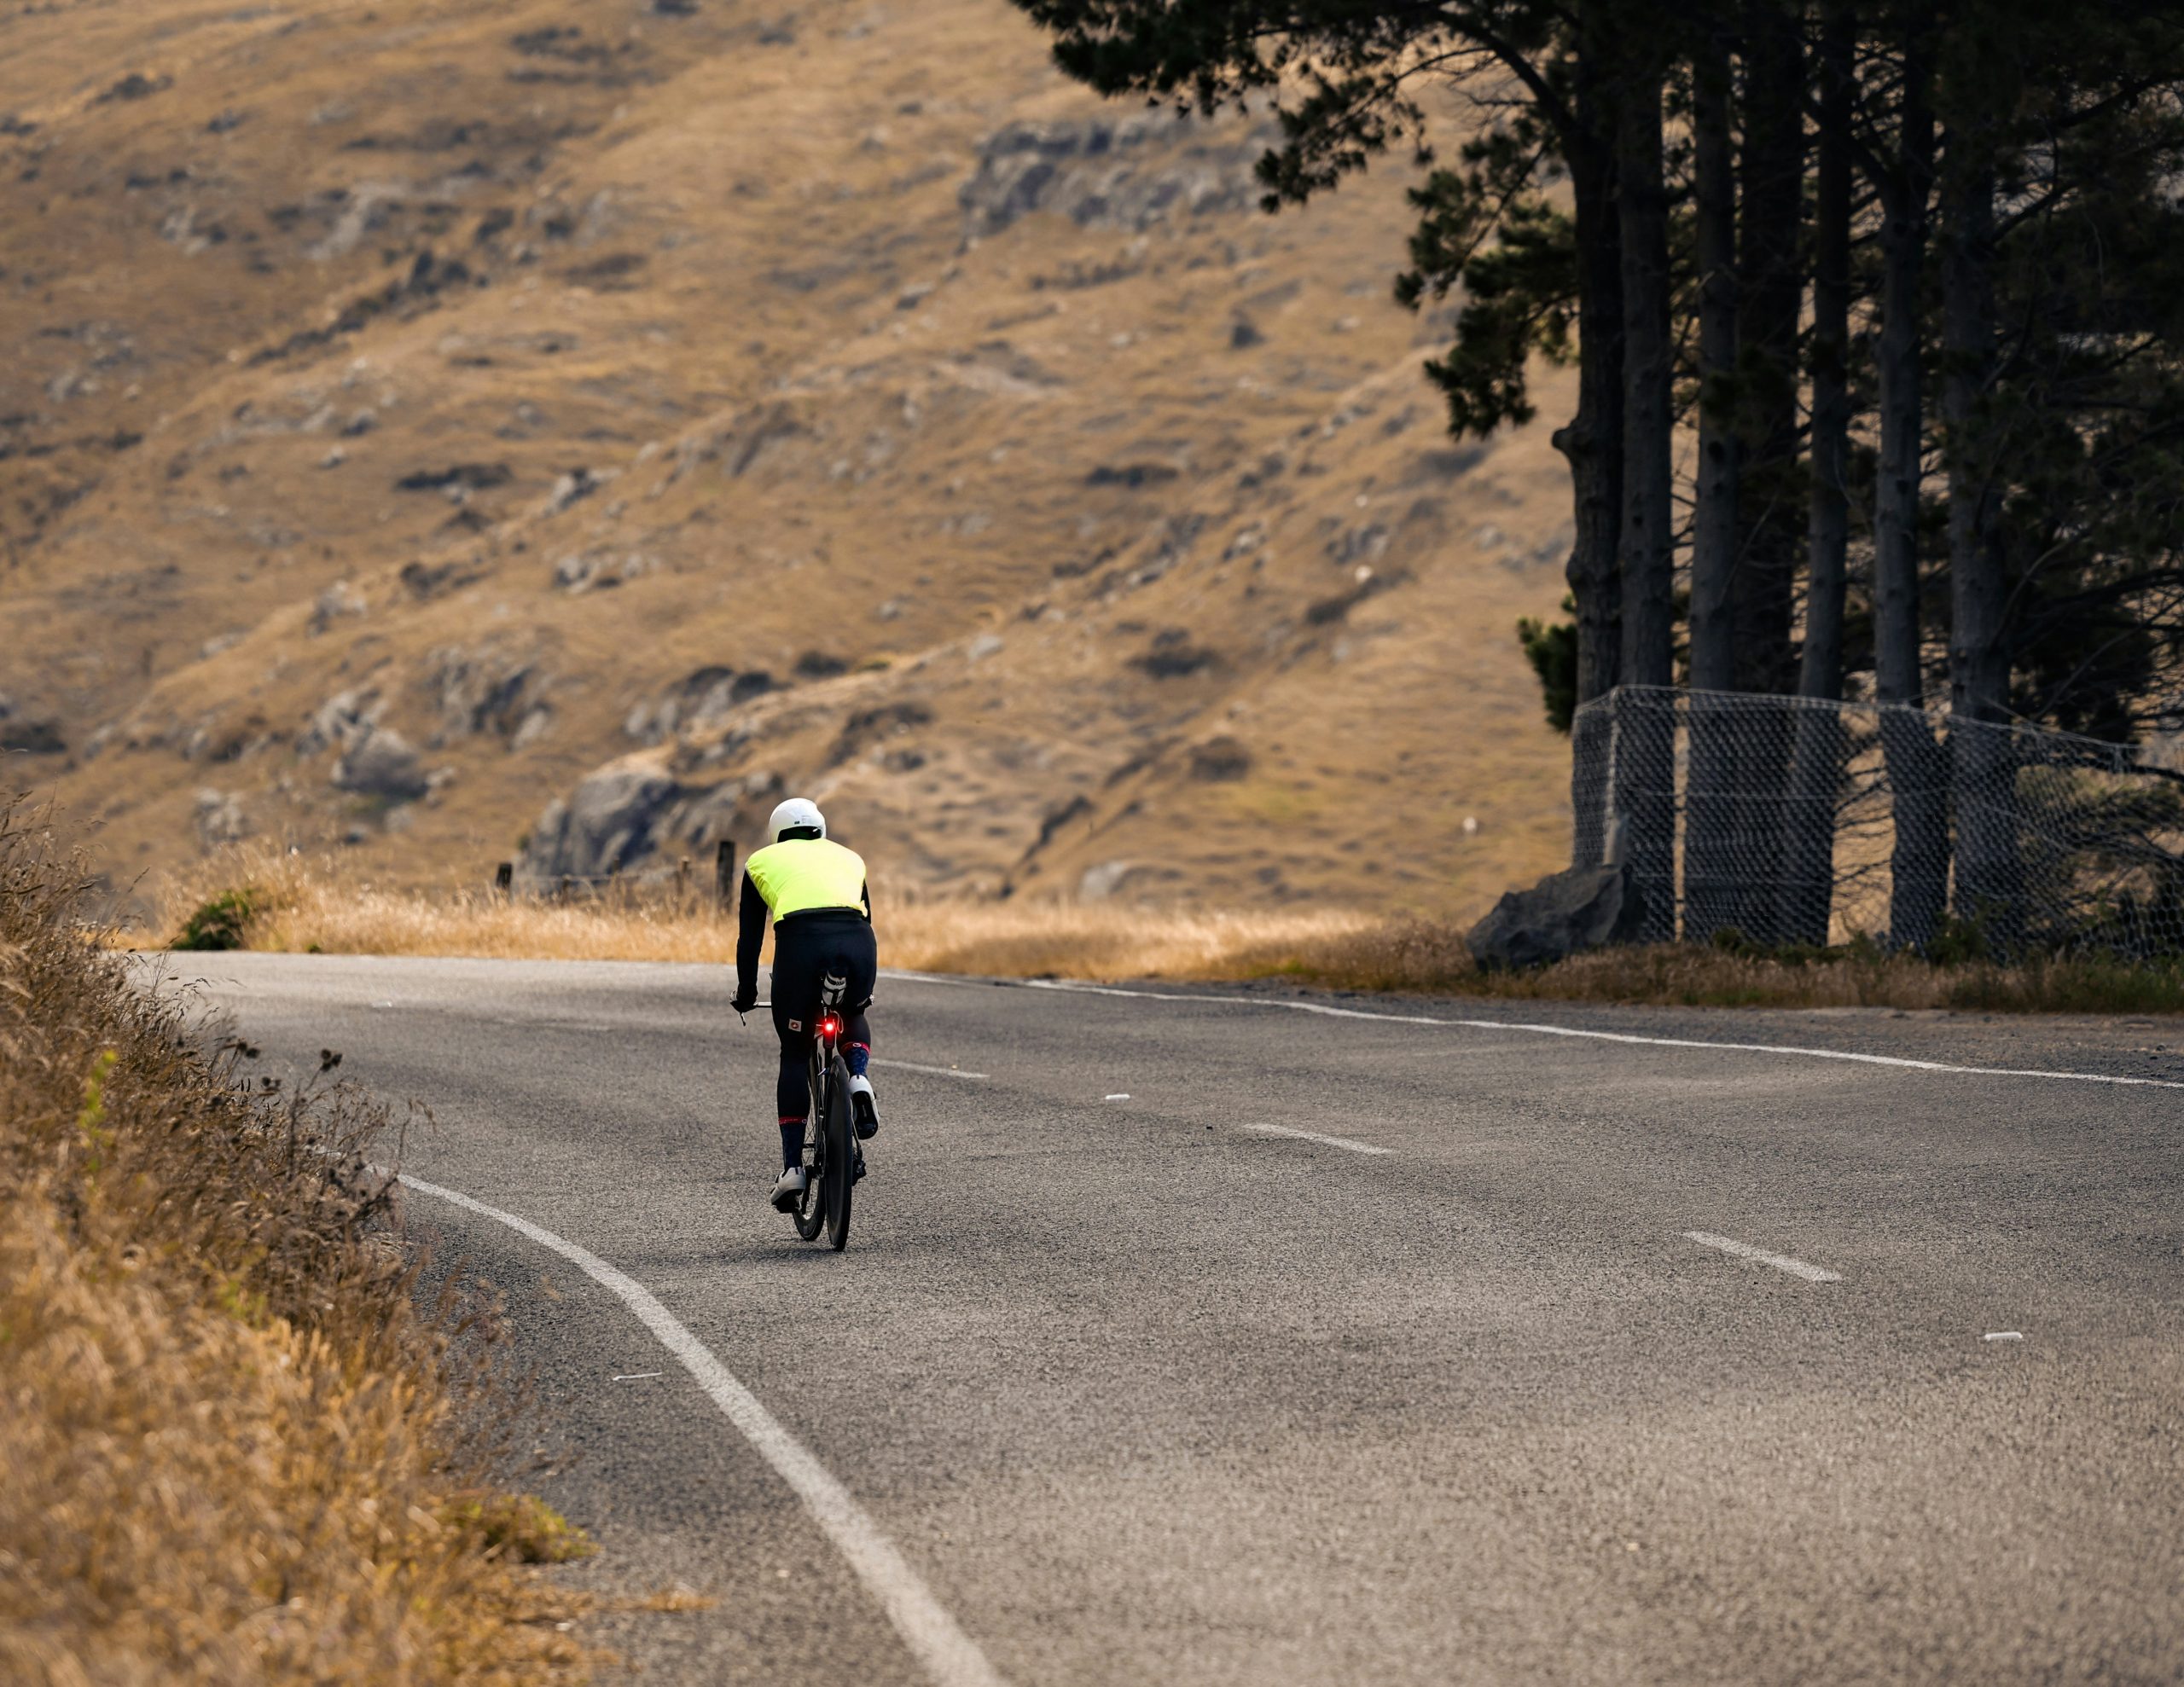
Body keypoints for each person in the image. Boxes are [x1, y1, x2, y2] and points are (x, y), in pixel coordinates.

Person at [729, 797, 881, 1212]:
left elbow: (750, 939)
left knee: (795, 1052)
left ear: (777, 833)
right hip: (857, 944)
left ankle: (793, 1167)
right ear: (821, 829)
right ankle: (859, 1079)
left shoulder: (760, 862)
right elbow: (867, 918)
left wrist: (746, 992)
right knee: (853, 1012)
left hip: (800, 947)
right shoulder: (851, 857)